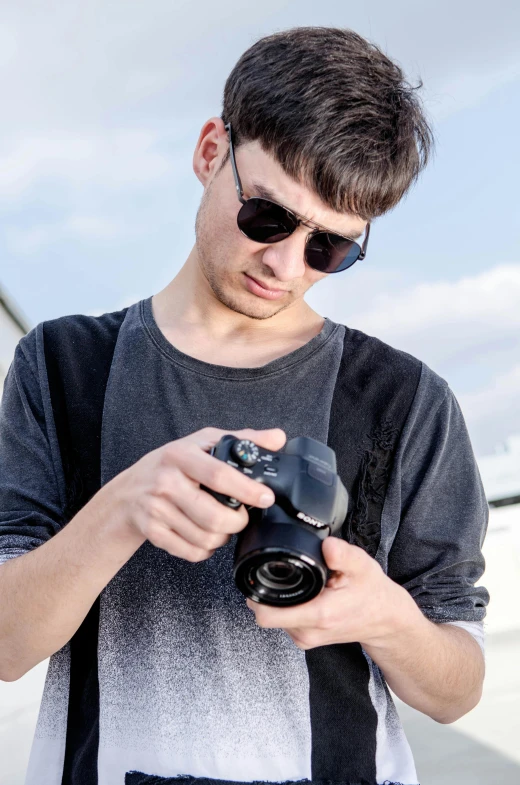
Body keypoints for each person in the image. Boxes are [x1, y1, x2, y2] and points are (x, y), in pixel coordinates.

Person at [0, 26, 489, 785]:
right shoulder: (64, 368)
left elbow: (457, 689)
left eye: (331, 248)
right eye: (268, 215)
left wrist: (388, 619)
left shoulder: (405, 400)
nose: (286, 264)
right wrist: (125, 506)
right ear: (208, 152)